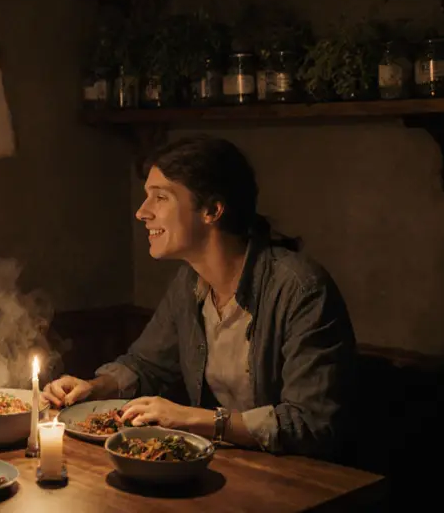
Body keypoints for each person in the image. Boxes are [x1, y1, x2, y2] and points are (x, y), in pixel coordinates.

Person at [44, 135, 357, 461]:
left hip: (306, 481)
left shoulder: (300, 288)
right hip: (230, 467)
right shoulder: (190, 282)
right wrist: (96, 388)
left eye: (160, 198)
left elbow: (312, 424)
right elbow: (146, 364)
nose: (141, 212)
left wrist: (192, 418)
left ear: (212, 210)